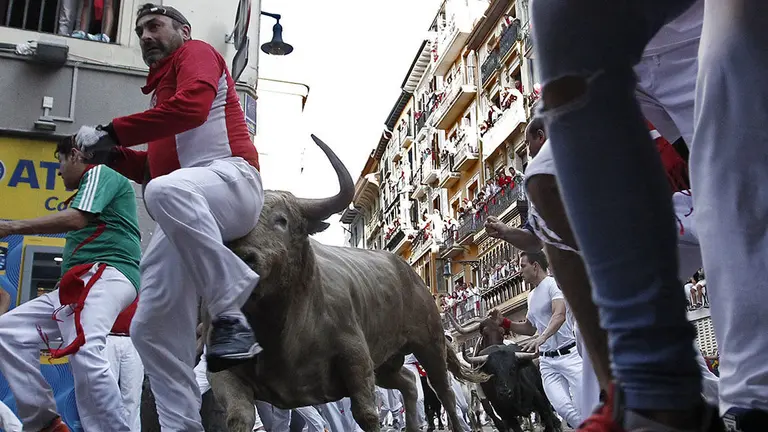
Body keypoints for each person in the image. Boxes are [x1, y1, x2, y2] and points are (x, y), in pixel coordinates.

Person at [528, 0, 768, 426]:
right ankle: (644, 395)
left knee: (730, 101)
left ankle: (755, 399)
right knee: (545, 180)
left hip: (706, 26)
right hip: (625, 47)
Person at [74, 4, 264, 430]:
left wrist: (114, 131)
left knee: (166, 191)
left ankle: (229, 309)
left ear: (183, 30)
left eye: (154, 26)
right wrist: (113, 154)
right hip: (188, 207)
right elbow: (152, 173)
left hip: (233, 182)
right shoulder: (163, 99)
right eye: (139, 30)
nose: (144, 36)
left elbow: (193, 110)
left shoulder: (197, 53)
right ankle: (182, 427)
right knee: (150, 330)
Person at [0, 137, 141, 432]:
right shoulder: (91, 189)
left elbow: (76, 219)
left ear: (76, 155)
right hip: (79, 285)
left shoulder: (100, 174)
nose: (60, 171)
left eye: (60, 162)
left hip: (104, 273)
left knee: (86, 349)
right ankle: (45, 424)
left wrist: (10, 227)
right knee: (7, 332)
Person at [500, 251, 582, 428]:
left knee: (586, 406)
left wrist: (542, 337)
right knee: (563, 408)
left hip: (570, 354)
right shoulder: (531, 296)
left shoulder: (553, 284)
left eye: (523, 266)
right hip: (547, 361)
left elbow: (559, 315)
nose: (519, 271)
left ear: (535, 266)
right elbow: (529, 328)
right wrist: (504, 322)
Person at [106, 305, 144, 432]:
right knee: (106, 394)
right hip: (107, 336)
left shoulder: (141, 284)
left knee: (133, 396)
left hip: (133, 339)